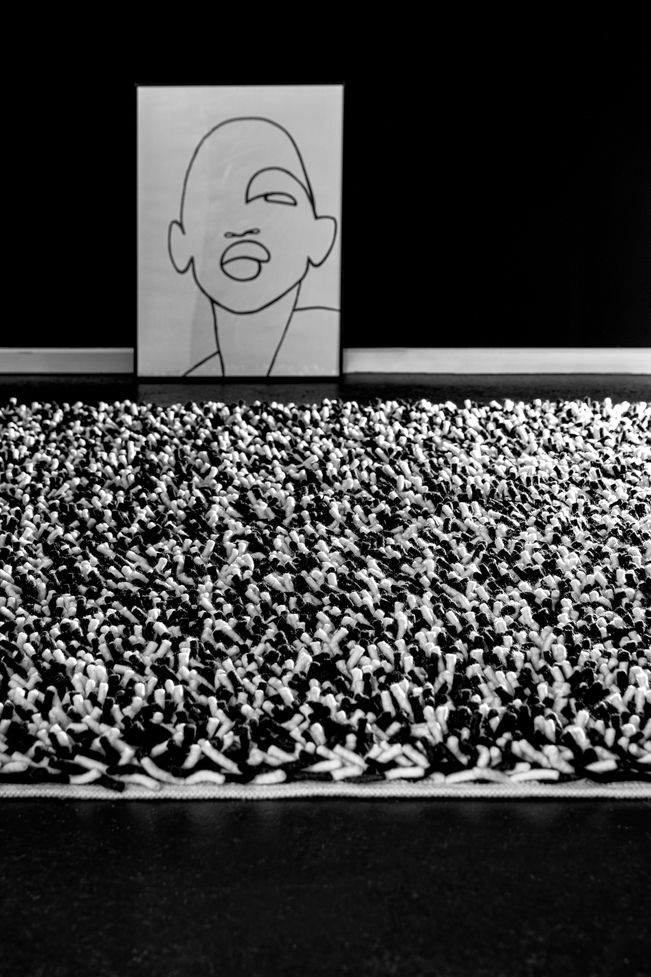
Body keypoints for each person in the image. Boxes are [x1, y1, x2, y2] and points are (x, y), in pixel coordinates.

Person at [168, 116, 339, 376]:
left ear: (321, 235)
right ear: (179, 242)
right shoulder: (194, 376)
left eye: (272, 197)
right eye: (216, 203)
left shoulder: (322, 343)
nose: (241, 225)